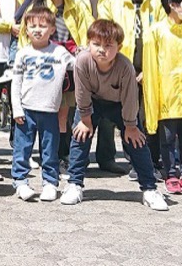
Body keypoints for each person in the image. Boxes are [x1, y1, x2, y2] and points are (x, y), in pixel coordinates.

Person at [60, 19, 169, 211]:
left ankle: (150, 188)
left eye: (108, 45)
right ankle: (74, 184)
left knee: (137, 141)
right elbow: (82, 92)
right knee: (80, 136)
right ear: (88, 43)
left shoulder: (125, 67)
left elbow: (130, 98)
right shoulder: (82, 61)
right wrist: (85, 120)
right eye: (96, 44)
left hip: (120, 105)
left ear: (119, 47)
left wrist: (131, 125)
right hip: (91, 103)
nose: (102, 49)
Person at [99, 0, 163, 173]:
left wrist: (149, 70)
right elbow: (105, 34)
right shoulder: (112, 0)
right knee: (122, 115)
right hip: (119, 66)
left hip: (150, 67)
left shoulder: (157, 1)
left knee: (147, 116)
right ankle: (126, 160)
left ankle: (146, 162)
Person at [65, 0, 126, 174]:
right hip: (79, 57)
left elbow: (123, 26)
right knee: (80, 108)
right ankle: (76, 160)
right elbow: (65, 24)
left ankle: (106, 158)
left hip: (109, 58)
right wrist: (75, 48)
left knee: (109, 108)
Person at [142, 0, 182, 195]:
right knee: (166, 140)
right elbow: (150, 68)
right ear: (173, 5)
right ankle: (170, 175)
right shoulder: (156, 31)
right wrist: (153, 98)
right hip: (167, 95)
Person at [9, 7, 74, 202]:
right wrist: (16, 109)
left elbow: (77, 65)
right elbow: (16, 83)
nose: (37, 30)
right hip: (26, 110)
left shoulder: (60, 52)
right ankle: (20, 181)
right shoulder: (23, 53)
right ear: (26, 30)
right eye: (32, 26)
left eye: (43, 26)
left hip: (50, 111)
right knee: (22, 148)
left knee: (50, 149)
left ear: (53, 29)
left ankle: (50, 182)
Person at [25, 0, 84, 170]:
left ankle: (62, 155)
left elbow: (84, 29)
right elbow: (28, 34)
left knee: (64, 113)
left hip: (69, 67)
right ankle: (47, 156)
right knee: (48, 112)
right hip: (45, 66)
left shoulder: (75, 5)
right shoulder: (37, 6)